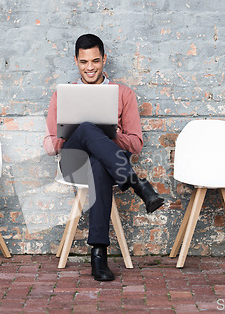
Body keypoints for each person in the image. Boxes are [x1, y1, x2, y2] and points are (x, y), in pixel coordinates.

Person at [43, 34, 164, 281]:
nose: (90, 67)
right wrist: (71, 133)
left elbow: (136, 144)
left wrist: (113, 134)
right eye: (84, 62)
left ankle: (99, 255)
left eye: (95, 61)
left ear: (104, 59)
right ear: (76, 61)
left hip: (108, 167)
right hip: (73, 162)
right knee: (86, 127)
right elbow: (49, 144)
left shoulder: (124, 94)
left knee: (99, 163)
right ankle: (137, 184)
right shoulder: (63, 94)